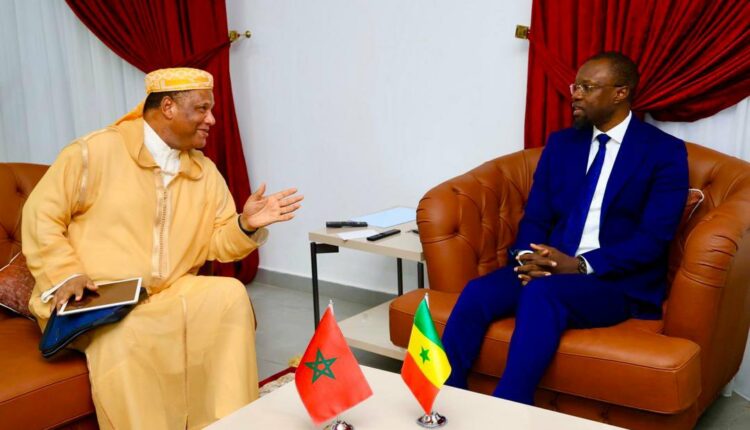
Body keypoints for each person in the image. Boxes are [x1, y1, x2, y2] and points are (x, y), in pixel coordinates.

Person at [22, 67, 303, 429]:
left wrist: (245, 224)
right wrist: (66, 274)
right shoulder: (93, 152)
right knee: (128, 333)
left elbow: (217, 243)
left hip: (167, 290)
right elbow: (41, 216)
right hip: (96, 296)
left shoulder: (205, 172)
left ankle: (227, 423)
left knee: (229, 295)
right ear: (168, 107)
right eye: (202, 109)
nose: (212, 120)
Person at [441, 52, 688, 405]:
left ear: (620, 93)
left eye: (587, 87)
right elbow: (537, 216)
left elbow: (653, 238)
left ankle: (509, 409)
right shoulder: (562, 145)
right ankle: (444, 399)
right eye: (576, 87)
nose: (576, 95)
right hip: (549, 266)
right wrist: (528, 257)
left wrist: (580, 265)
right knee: (478, 292)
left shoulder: (664, 152)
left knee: (543, 294)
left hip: (613, 281)